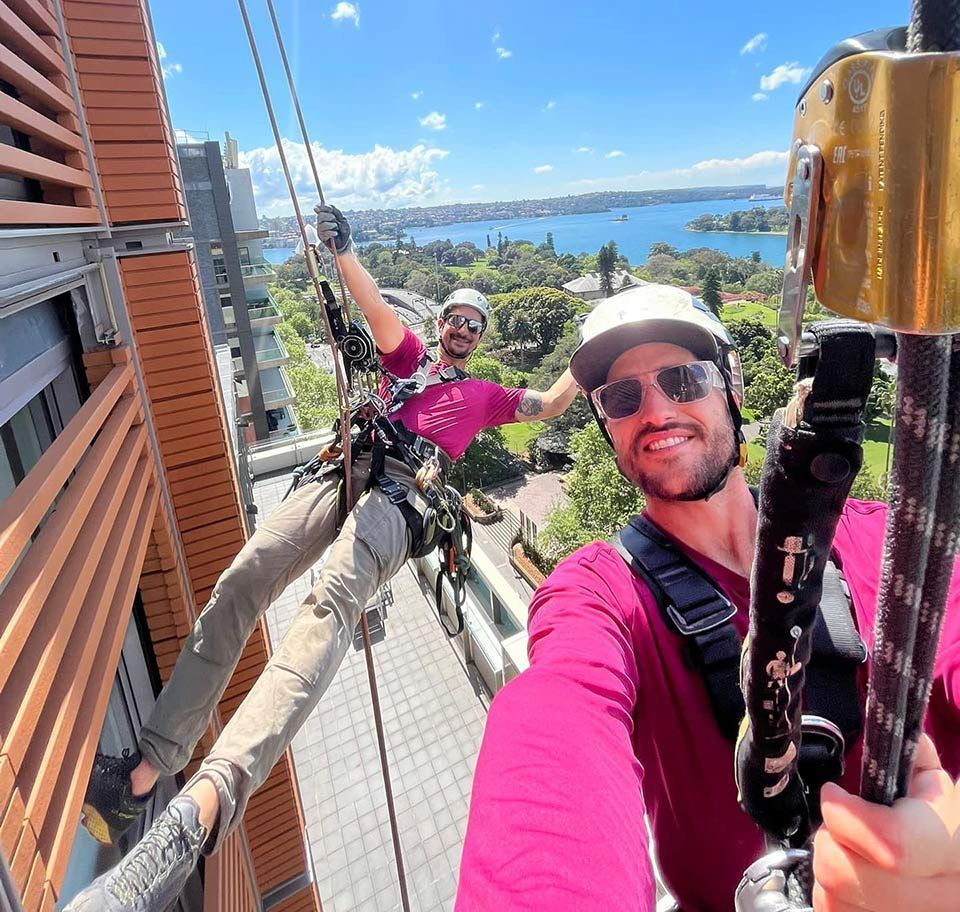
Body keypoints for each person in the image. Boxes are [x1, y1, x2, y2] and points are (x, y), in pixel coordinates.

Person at [67, 203, 580, 912]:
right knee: (244, 577)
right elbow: (373, 309)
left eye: (474, 324)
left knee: (329, 605)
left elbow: (550, 403)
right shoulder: (408, 362)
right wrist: (342, 252)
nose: (462, 328)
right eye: (456, 318)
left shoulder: (484, 397)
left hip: (399, 498)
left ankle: (198, 814)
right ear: (441, 327)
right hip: (348, 466)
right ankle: (147, 773)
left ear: (479, 340)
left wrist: (595, 354)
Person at [456, 284, 960, 911]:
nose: (656, 409)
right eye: (621, 396)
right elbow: (556, 720)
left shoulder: (884, 541)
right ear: (606, 423)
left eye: (684, 378)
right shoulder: (599, 594)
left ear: (733, 388)